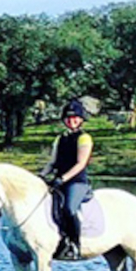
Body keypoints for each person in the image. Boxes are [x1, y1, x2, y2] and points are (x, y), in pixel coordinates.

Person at [40, 99, 93, 259]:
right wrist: (41, 176)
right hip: (59, 180)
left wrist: (63, 178)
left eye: (75, 117)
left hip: (76, 182)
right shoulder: (60, 139)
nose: (71, 121)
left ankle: (75, 244)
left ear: (81, 119)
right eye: (68, 118)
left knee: (69, 209)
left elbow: (81, 163)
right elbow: (52, 162)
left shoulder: (84, 138)